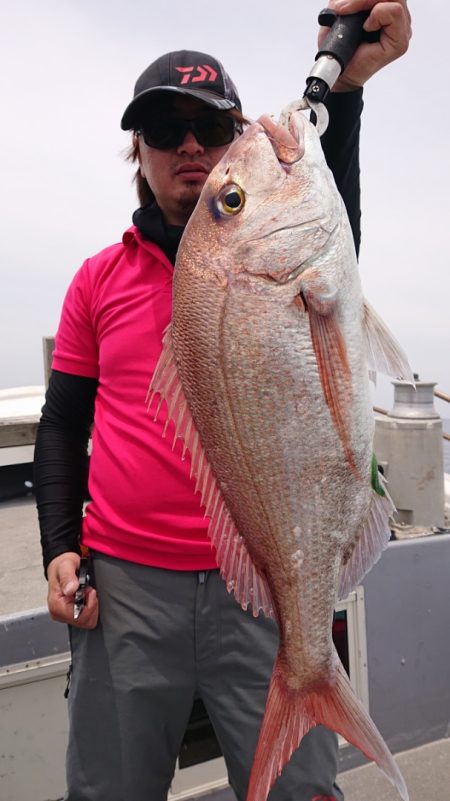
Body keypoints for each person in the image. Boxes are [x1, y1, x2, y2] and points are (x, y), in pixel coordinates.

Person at [34, 2, 412, 800]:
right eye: (165, 131)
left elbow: (323, 224)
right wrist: (59, 543)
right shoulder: (97, 281)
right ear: (136, 150)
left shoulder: (294, 251)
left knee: (299, 790)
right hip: (127, 590)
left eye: (211, 128)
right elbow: (63, 424)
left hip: (273, 581)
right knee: (109, 789)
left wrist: (343, 88)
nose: (191, 147)